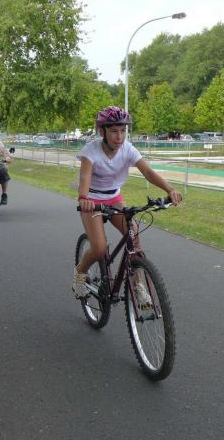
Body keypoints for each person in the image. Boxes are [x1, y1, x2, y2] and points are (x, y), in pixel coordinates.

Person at [72, 106, 182, 308]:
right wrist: (83, 198)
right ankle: (80, 273)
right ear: (102, 131)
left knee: (134, 235)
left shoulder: (128, 149)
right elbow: (85, 177)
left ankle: (139, 287)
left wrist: (170, 189)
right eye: (114, 131)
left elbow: (148, 172)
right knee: (99, 249)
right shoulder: (90, 151)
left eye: (123, 131)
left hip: (114, 198)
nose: (120, 136)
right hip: (92, 200)